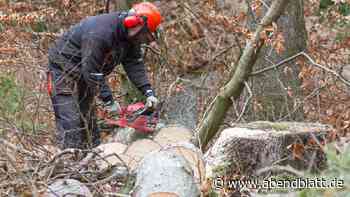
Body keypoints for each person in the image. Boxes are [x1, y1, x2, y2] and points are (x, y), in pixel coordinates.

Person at [47, 2, 161, 149]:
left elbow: (134, 65)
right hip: (63, 69)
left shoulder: (131, 38)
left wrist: (148, 92)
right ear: (135, 22)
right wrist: (108, 101)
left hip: (85, 73)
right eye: (145, 34)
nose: (143, 39)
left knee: (88, 120)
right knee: (71, 122)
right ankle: (69, 164)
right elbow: (92, 70)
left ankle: (93, 160)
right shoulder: (101, 32)